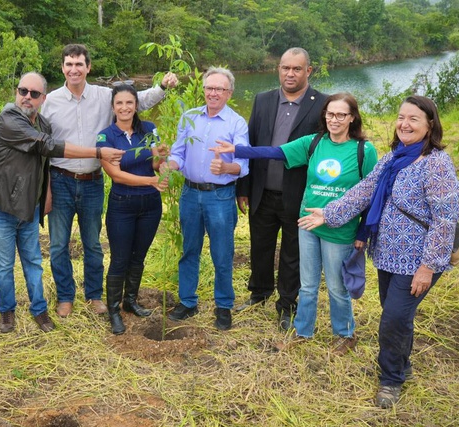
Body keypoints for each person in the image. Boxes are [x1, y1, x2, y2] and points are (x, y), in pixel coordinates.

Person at [299, 95, 459, 408]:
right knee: (398, 316)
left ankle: (390, 380)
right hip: (389, 255)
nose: (405, 124)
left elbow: (445, 220)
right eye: (401, 117)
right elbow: (364, 190)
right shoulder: (393, 157)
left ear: (430, 125)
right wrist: (329, 214)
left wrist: (428, 266)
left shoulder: (437, 164)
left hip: (419, 260)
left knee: (393, 318)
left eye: (414, 118)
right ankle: (403, 364)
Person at [214, 92, 377, 352]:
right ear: (324, 115)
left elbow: (372, 194)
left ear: (352, 118)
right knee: (309, 284)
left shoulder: (363, 150)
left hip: (340, 229)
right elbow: (275, 152)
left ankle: (345, 334)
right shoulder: (314, 142)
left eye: (341, 115)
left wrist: (363, 231)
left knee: (336, 287)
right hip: (308, 224)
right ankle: (303, 331)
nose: (334, 119)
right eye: (330, 114)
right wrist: (236, 149)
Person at [0, 72, 125, 334]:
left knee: (33, 260)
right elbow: (47, 146)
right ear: (16, 92)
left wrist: (46, 195)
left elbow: (44, 161)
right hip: (0, 205)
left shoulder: (43, 123)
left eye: (34, 94)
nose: (27, 98)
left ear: (43, 98)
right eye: (23, 91)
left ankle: (39, 310)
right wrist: (97, 152)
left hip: (28, 205)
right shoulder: (9, 119)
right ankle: (7, 311)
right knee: (3, 265)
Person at [40, 44, 178, 318]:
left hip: (92, 181)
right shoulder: (51, 101)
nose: (74, 69)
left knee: (92, 243)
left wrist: (163, 86)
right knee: (58, 244)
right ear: (62, 68)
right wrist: (45, 189)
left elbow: (138, 100)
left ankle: (93, 295)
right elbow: (43, 146)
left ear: (88, 67)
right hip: (61, 180)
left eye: (79, 64)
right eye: (69, 64)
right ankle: (66, 297)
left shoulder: (105, 96)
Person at [236, 47, 328, 330]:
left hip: (299, 195)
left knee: (292, 251)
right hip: (262, 191)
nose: (290, 74)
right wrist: (244, 187)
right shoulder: (263, 100)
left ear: (308, 71)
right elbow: (250, 146)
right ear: (279, 69)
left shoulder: (322, 104)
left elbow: (326, 151)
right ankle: (259, 291)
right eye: (285, 68)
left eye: (297, 69)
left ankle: (287, 303)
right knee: (260, 245)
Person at [160, 67, 249, 331]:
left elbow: (243, 165)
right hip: (190, 194)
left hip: (220, 196)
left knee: (222, 253)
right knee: (190, 250)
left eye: (219, 89)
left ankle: (223, 306)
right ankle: (188, 302)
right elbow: (178, 153)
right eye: (209, 88)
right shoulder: (189, 117)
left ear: (229, 93)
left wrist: (226, 168)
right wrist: (169, 166)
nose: (213, 93)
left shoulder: (236, 123)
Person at [96, 84, 168, 335]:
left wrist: (163, 160)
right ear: (113, 107)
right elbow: (116, 175)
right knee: (120, 259)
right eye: (119, 103)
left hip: (150, 204)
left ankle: (131, 301)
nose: (125, 108)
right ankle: (114, 309)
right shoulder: (105, 137)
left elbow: (158, 165)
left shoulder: (149, 129)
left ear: (136, 105)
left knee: (139, 256)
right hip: (122, 205)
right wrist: (151, 179)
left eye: (129, 103)